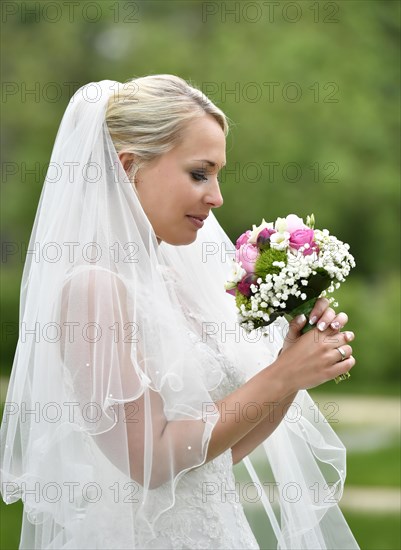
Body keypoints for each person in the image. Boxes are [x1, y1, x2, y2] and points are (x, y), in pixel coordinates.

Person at [0, 76, 359, 549]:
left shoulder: (170, 284)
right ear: (130, 167)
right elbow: (150, 458)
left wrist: (290, 372)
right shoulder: (94, 289)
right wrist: (282, 376)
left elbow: (218, 454)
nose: (217, 196)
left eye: (217, 174)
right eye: (199, 173)